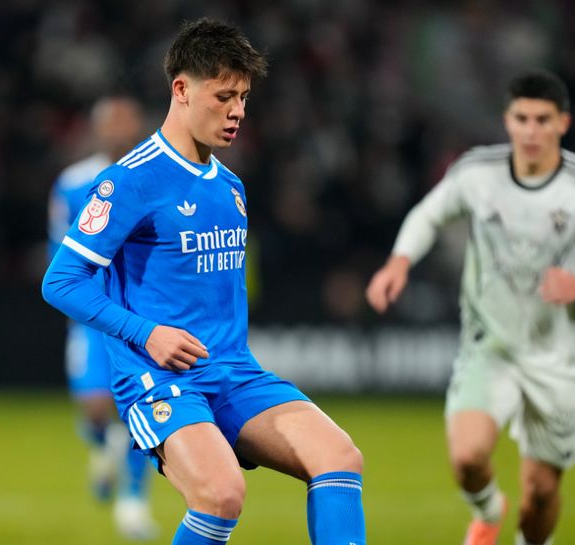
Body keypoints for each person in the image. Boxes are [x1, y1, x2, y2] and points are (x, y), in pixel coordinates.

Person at [42, 18, 366, 545]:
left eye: (244, 98)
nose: (238, 112)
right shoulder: (129, 180)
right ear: (182, 90)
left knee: (339, 456)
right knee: (221, 494)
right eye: (224, 97)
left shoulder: (231, 187)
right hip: (159, 379)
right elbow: (60, 281)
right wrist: (146, 332)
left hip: (233, 371)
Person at [366, 70, 575, 545]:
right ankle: (488, 510)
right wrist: (399, 262)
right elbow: (429, 214)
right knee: (467, 458)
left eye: (543, 120)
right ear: (507, 120)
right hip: (490, 346)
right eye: (522, 118)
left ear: (563, 123)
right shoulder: (478, 174)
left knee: (542, 494)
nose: (531, 131)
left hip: (558, 358)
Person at [47, 95, 158, 540]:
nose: (119, 130)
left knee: (139, 409)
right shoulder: (73, 182)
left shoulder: (154, 177)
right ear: (96, 129)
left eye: (126, 122)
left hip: (138, 313)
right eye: (111, 123)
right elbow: (59, 247)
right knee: (95, 407)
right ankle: (101, 445)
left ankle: (133, 501)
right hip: (92, 314)